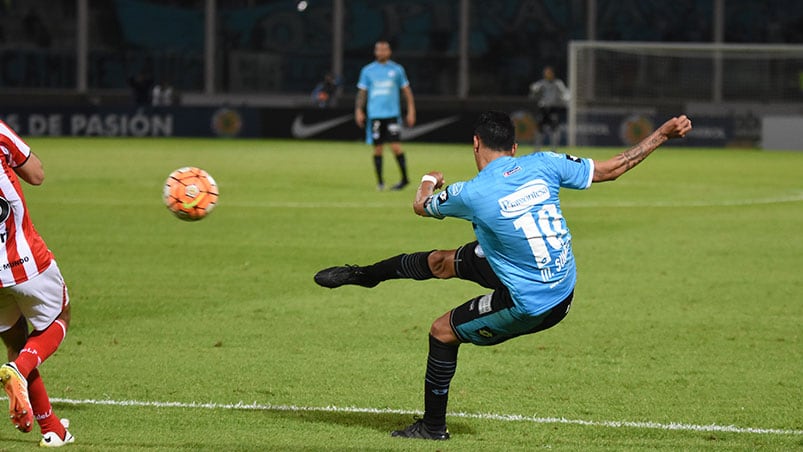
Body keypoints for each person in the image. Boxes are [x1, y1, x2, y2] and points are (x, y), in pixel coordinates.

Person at [315, 111, 692, 440]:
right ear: (514, 148)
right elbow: (613, 168)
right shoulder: (544, 162)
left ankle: (432, 428)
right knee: (441, 262)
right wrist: (662, 134)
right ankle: (366, 275)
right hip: (554, 274)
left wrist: (429, 178)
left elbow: (420, 205)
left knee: (441, 331)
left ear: (476, 143)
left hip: (536, 302)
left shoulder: (471, 192)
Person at [0, 120, 75, 447]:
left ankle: (52, 429)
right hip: (24, 259)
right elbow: (37, 175)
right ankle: (20, 368)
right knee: (60, 318)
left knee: (16, 339)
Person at [355, 40, 416, 191]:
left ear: (389, 52)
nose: (381, 52)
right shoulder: (367, 70)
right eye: (379, 50)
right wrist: (358, 110)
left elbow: (407, 91)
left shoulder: (397, 70)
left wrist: (411, 110)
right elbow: (362, 92)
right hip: (375, 115)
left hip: (392, 115)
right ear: (375, 52)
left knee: (396, 147)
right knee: (377, 148)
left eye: (384, 50)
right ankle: (381, 182)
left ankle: (404, 179)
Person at [529, 66, 571, 152]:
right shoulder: (541, 83)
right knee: (539, 129)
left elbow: (565, 93)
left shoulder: (558, 83)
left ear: (552, 73)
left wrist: (565, 99)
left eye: (549, 73)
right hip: (543, 108)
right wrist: (534, 90)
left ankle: (554, 149)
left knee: (554, 129)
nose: (547, 75)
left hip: (553, 108)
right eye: (546, 73)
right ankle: (537, 149)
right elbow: (533, 92)